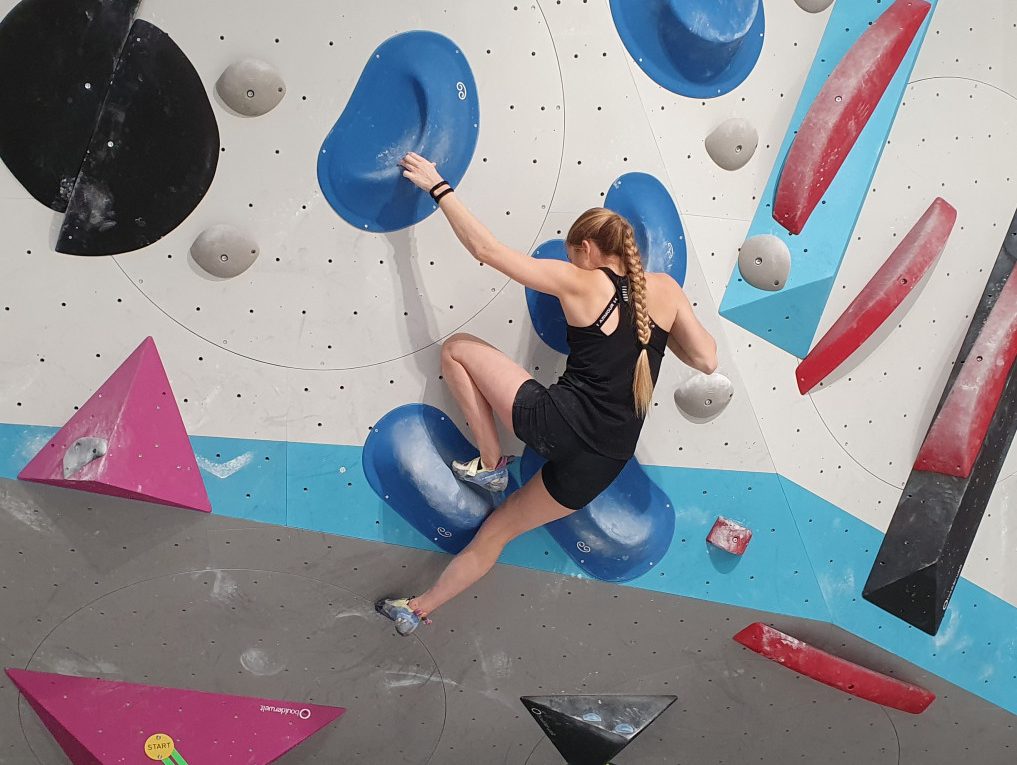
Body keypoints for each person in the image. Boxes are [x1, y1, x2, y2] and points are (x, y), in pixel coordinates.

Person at [376, 152, 718, 635]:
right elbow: (706, 359)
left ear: (584, 248)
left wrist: (439, 187)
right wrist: (656, 338)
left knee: (456, 350)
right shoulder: (665, 291)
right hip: (603, 462)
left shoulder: (581, 281)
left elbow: (489, 252)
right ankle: (417, 610)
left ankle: (492, 465)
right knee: (499, 534)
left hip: (557, 423)